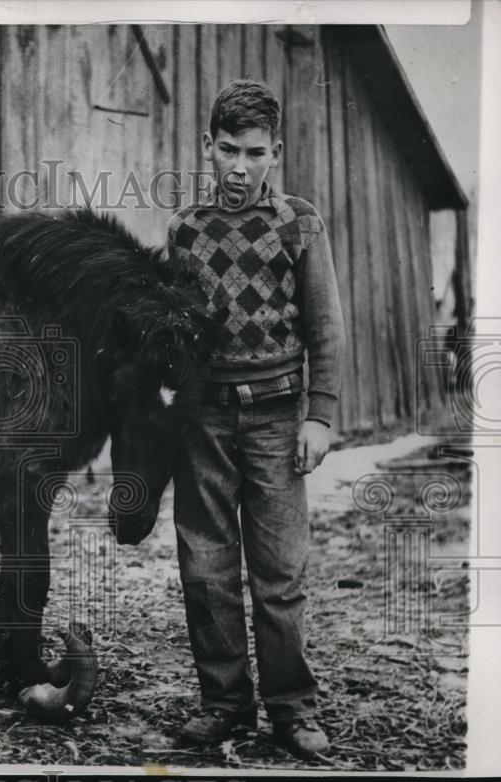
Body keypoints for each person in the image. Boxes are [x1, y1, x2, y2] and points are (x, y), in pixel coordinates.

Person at [164, 79, 346, 760]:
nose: (241, 167)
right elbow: (175, 333)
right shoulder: (184, 228)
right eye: (229, 150)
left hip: (275, 419)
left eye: (256, 152)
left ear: (276, 152)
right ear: (207, 148)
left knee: (279, 572)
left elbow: (326, 325)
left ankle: (293, 709)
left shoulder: (299, 221)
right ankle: (224, 705)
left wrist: (319, 417)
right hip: (203, 423)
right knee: (206, 568)